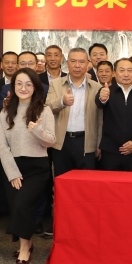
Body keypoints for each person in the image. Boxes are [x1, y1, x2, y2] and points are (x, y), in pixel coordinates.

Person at [0, 69, 56, 264]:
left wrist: (37, 131)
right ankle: (28, 243)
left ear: (35, 87)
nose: (23, 88)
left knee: (23, 205)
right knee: (17, 207)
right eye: (19, 84)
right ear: (13, 86)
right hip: (13, 166)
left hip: (37, 167)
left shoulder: (44, 110)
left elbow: (51, 141)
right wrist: (12, 172)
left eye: (28, 84)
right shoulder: (6, 111)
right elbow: (2, 145)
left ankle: (24, 248)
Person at [47, 47, 103, 177]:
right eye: (73, 61)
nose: (77, 65)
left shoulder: (96, 87)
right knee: (62, 181)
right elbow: (47, 108)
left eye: (81, 62)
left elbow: (100, 119)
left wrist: (99, 144)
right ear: (67, 63)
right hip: (61, 142)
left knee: (86, 183)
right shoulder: (55, 84)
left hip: (86, 142)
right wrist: (62, 101)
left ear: (88, 64)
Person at [95, 58, 132, 172]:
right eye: (122, 70)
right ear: (114, 73)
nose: (126, 74)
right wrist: (102, 98)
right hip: (110, 152)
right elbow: (99, 102)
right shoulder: (106, 91)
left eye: (129, 70)